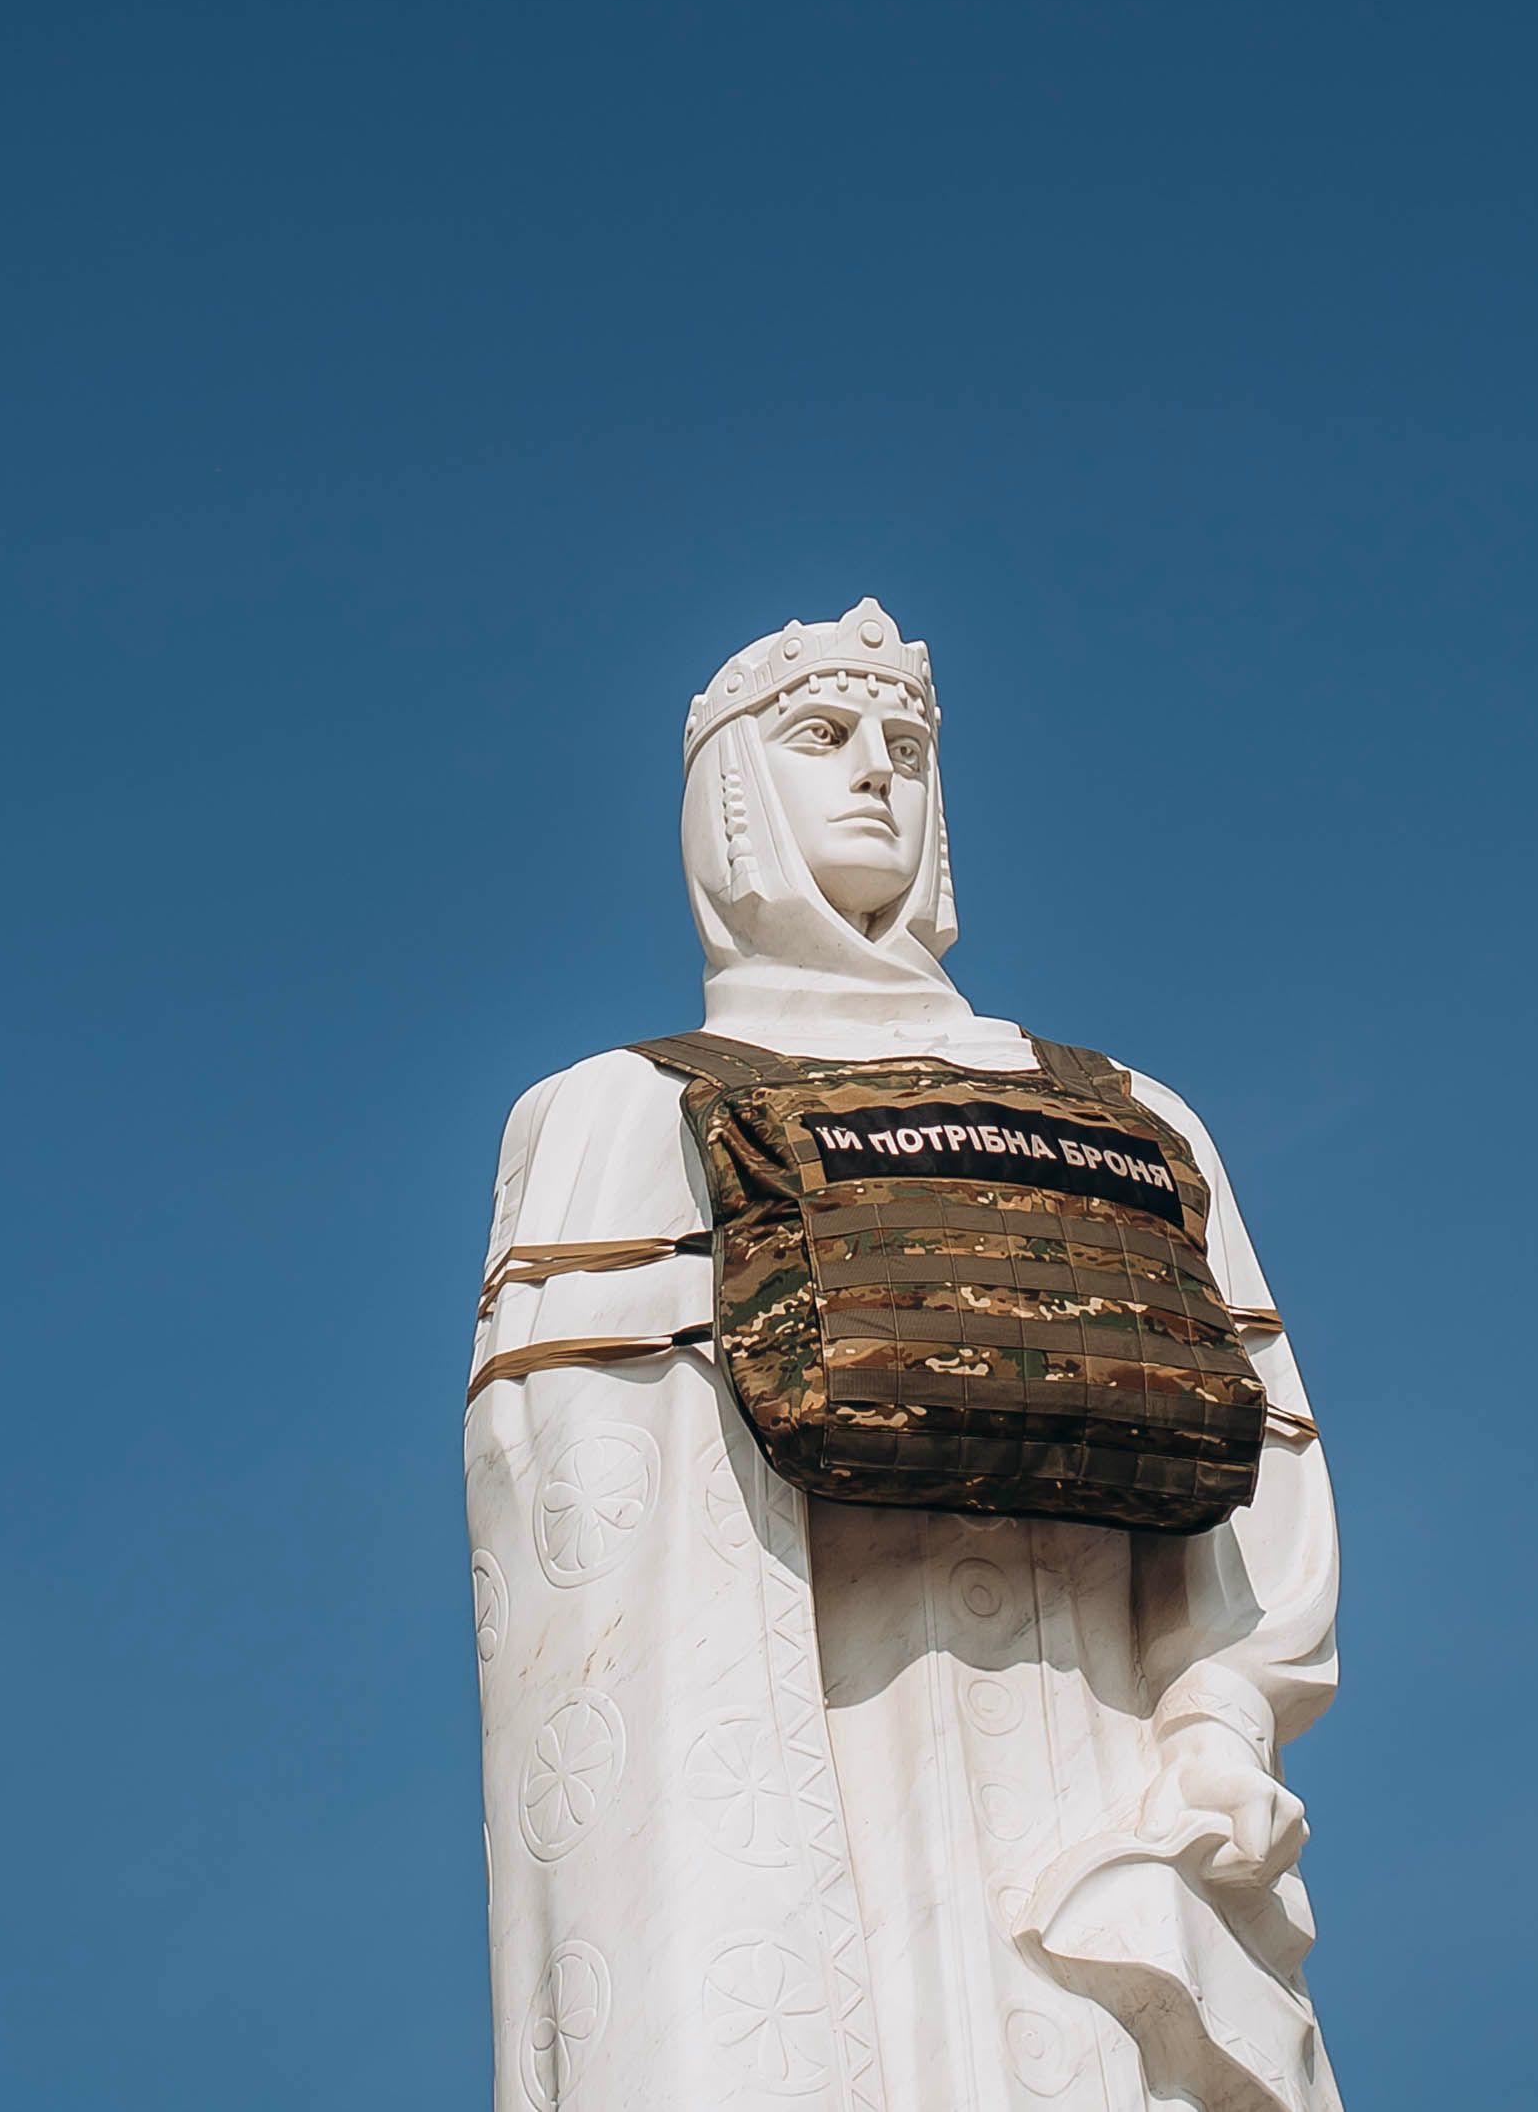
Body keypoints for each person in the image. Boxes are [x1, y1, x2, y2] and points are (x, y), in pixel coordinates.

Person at [465, 601, 1344, 2112]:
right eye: (824, 736)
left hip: (1099, 1791)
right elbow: (595, 1590)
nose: (879, 770)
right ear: (732, 791)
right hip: (807, 1810)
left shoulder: (1128, 1118)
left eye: (910, 745)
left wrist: (1219, 1720)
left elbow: (1258, 1482)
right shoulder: (622, 1112)